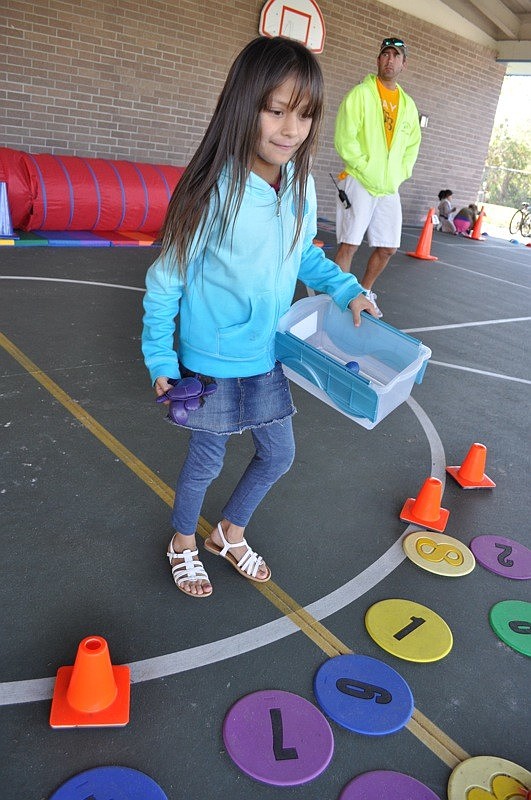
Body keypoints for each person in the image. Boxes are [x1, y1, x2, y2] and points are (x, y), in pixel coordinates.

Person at [141, 36, 376, 599]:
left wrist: (349, 290)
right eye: (276, 110)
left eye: (304, 114)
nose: (291, 129)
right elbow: (163, 281)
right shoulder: (208, 192)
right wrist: (160, 357)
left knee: (280, 453)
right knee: (206, 462)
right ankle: (182, 544)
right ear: (245, 104)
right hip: (211, 361)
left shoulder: (300, 183)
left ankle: (229, 532)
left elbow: (306, 255)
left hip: (266, 353)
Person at [334, 36, 422, 317]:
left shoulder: (408, 105)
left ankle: (364, 290)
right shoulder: (361, 94)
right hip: (360, 178)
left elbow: (412, 146)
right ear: (378, 60)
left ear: (403, 64)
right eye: (385, 54)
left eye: (396, 56)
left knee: (389, 247)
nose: (390, 60)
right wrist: (364, 166)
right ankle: (337, 295)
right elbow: (345, 138)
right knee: (349, 243)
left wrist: (399, 175)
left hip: (388, 186)